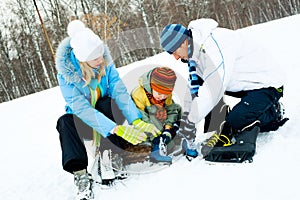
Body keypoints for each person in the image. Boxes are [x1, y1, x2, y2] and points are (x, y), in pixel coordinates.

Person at [55, 20, 161, 200]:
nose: (101, 60)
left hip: (107, 113)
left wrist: (136, 120)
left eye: (101, 55)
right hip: (85, 121)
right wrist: (115, 128)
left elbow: (120, 92)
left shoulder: (105, 65)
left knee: (107, 101)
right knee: (64, 121)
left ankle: (109, 153)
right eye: (95, 58)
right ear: (83, 59)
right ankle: (80, 173)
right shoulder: (66, 75)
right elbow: (81, 109)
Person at [160, 18, 289, 163]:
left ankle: (273, 112)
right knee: (207, 99)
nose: (176, 57)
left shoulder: (215, 44)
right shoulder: (195, 54)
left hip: (268, 84)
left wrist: (188, 123)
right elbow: (195, 91)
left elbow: (213, 90)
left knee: (237, 120)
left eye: (174, 51)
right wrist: (179, 122)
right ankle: (243, 111)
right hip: (245, 83)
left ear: (183, 41)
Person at [131, 66, 198, 162]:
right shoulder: (138, 94)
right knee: (152, 115)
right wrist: (155, 136)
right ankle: (156, 147)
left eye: (166, 94)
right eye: (159, 93)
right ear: (152, 86)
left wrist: (168, 128)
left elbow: (172, 110)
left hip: (161, 121)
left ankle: (181, 136)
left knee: (177, 108)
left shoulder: (165, 94)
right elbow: (141, 117)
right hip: (146, 125)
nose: (162, 97)